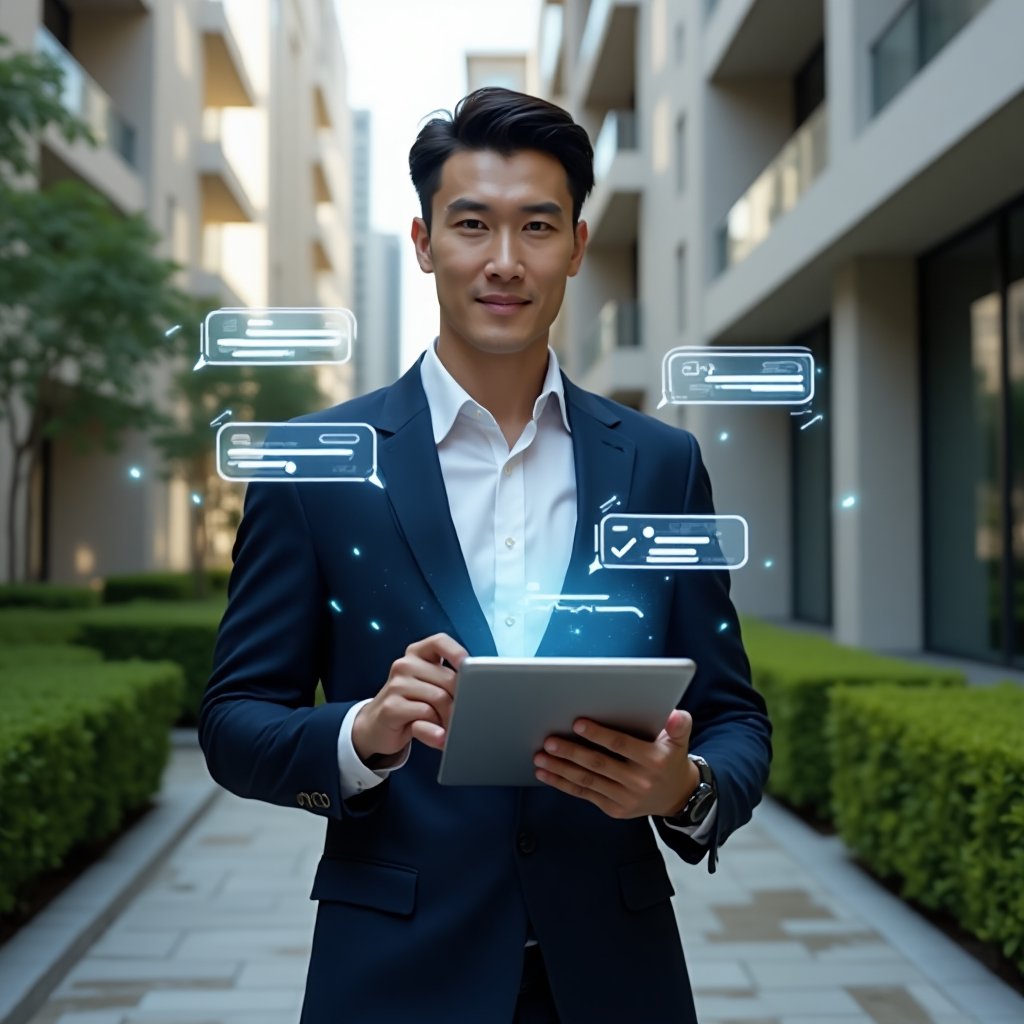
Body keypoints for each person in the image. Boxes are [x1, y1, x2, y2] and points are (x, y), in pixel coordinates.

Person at [200, 87, 771, 1024]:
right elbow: (233, 722)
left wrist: (687, 788)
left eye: (537, 226)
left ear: (578, 247)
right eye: (472, 225)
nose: (504, 262)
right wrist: (362, 734)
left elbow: (734, 716)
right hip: (392, 970)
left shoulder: (664, 465)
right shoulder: (315, 468)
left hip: (613, 974)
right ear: (424, 244)